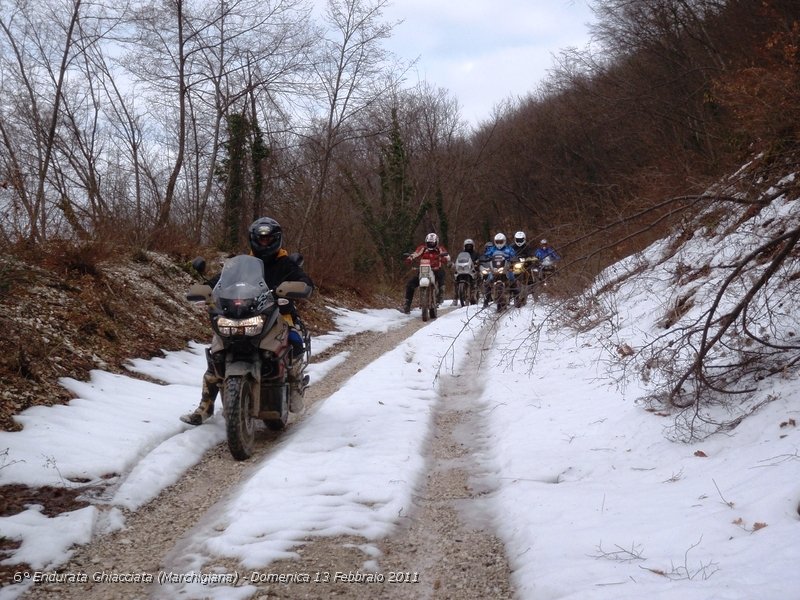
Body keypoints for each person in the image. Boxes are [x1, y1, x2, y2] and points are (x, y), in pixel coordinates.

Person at [180, 217, 314, 425]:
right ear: (252, 240)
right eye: (260, 240)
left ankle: (295, 386)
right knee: (217, 352)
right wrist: (206, 290)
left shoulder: (285, 263)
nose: (264, 243)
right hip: (244, 314)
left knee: (295, 341)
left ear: (276, 239)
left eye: (268, 239)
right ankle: (205, 407)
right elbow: (219, 282)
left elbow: (305, 282)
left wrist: (297, 287)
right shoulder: (240, 263)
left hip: (280, 314)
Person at [403, 232, 450, 313]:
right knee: (410, 284)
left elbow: (447, 256)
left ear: (436, 242)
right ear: (426, 242)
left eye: (432, 242)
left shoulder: (440, 249)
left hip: (436, 270)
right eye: (429, 243)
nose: (431, 244)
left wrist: (445, 258)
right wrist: (410, 258)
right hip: (424, 270)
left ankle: (441, 294)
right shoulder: (423, 248)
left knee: (442, 275)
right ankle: (407, 304)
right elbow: (416, 253)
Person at [479, 233, 517, 307]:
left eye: (501, 241)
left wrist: (514, 259)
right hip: (494, 268)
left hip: (506, 268)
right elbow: (486, 255)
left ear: (504, 241)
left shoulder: (509, 249)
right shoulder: (492, 249)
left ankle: (517, 298)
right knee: (488, 281)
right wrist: (483, 258)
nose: (499, 243)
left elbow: (514, 255)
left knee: (513, 279)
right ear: (495, 241)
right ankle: (486, 301)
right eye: (498, 241)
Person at [451, 238, 480, 305]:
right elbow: (458, 260)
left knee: (478, 277)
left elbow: (479, 259)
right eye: (467, 246)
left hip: (472, 269)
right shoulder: (462, 254)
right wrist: (455, 264)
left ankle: (476, 294)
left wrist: (477, 262)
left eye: (470, 245)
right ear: (464, 246)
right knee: (455, 281)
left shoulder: (475, 254)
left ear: (473, 246)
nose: (469, 247)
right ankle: (455, 299)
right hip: (462, 270)